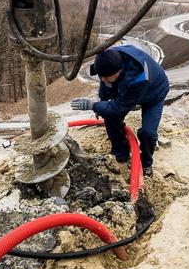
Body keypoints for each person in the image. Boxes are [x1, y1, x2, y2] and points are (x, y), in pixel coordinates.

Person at [71, 46, 169, 176]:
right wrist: (102, 101)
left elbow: (118, 109)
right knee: (109, 116)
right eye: (102, 77)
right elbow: (106, 85)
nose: (104, 80)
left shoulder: (138, 77)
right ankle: (121, 153)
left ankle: (146, 163)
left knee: (148, 133)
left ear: (120, 70)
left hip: (154, 93)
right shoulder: (109, 60)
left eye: (107, 77)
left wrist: (94, 105)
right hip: (128, 87)